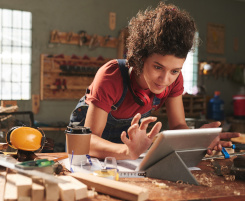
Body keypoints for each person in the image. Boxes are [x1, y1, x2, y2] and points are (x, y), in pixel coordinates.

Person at [69, 2, 240, 160]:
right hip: (89, 150)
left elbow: (178, 126)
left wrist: (196, 139)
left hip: (126, 153)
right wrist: (127, 151)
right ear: (140, 58)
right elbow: (88, 141)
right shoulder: (111, 76)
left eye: (174, 71)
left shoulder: (174, 81)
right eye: (158, 67)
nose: (165, 79)